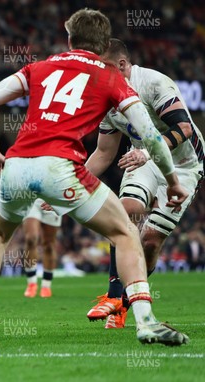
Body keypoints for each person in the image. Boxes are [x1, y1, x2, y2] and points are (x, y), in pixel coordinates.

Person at [0, 9, 190, 348]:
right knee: (126, 232)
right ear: (102, 45)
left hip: (18, 163)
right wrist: (171, 181)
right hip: (60, 166)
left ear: (70, 39)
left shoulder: (41, 66)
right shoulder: (112, 76)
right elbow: (152, 136)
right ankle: (145, 322)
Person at [83, 39, 204, 328]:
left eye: (105, 71)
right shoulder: (109, 100)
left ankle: (124, 302)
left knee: (150, 241)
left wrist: (147, 151)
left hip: (183, 166)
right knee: (126, 210)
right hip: (144, 160)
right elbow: (103, 153)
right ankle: (113, 295)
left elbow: (184, 127)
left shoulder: (153, 82)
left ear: (123, 65)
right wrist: (67, 184)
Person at [22, 198, 61, 298]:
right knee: (30, 238)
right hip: (31, 197)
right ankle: (31, 283)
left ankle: (46, 286)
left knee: (49, 245)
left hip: (52, 197)